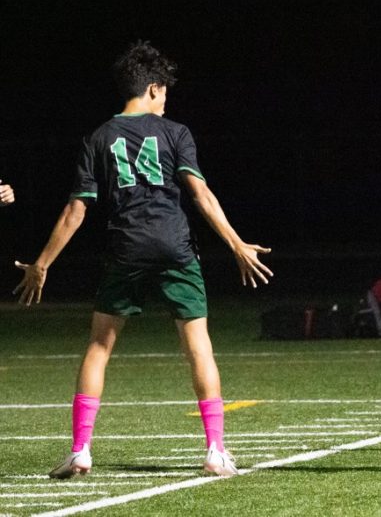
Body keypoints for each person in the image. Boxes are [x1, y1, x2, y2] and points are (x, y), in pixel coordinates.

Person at [13, 41, 273, 478]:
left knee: (99, 347)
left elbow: (76, 210)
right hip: (174, 246)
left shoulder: (98, 136)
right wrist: (235, 243)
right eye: (165, 91)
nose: (167, 99)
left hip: (126, 248)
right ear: (152, 89)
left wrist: (43, 263)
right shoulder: (175, 132)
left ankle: (80, 450)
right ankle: (215, 451)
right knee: (198, 348)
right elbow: (201, 194)